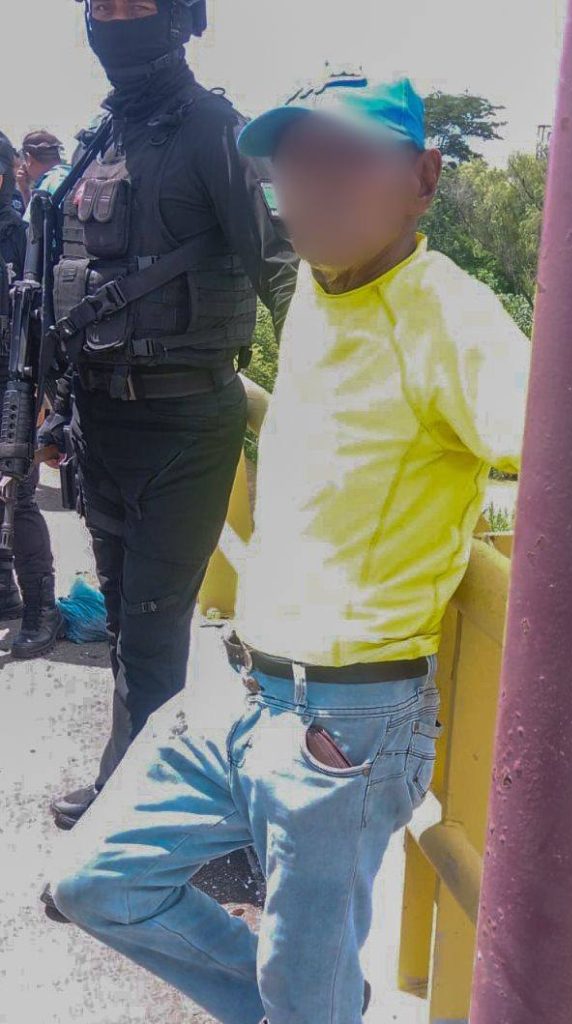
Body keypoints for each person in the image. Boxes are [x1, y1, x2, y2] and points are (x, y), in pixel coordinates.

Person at [49, 73, 572, 1024]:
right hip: (240, 689)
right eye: (294, 166)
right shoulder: (318, 285)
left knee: (301, 992)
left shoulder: (449, 318)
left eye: (347, 161)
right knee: (95, 881)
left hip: (341, 728)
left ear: (424, 179)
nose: (316, 187)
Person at [44, 0, 296, 831]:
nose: (116, 21)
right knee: (124, 620)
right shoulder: (101, 138)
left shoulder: (215, 131)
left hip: (183, 427)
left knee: (152, 633)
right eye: (102, 6)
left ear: (182, 17)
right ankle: (133, 780)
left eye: (137, 4)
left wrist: (323, 408)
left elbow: (281, 270)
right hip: (99, 423)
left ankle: (136, 821)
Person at [0, 131, 62, 655]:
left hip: (11, 386)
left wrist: (45, 401)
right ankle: (5, 592)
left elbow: (44, 322)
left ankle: (43, 610)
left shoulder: (22, 238)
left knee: (16, 496)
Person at [16, 130, 69, 211]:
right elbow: (37, 215)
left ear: (29, 159)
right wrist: (25, 190)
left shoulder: (51, 183)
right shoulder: (67, 175)